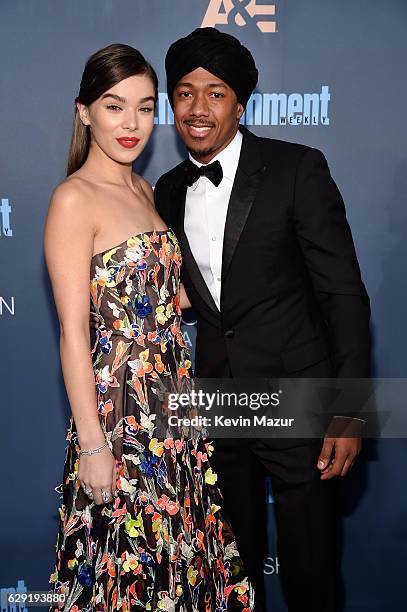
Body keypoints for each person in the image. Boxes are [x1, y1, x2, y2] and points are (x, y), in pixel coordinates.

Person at [154, 28, 371, 612]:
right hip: (216, 409)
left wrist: (350, 409)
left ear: (240, 103)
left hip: (299, 400)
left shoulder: (297, 168)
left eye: (215, 93)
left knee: (312, 572)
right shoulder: (166, 191)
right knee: (229, 573)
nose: (198, 109)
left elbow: (344, 296)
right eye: (184, 93)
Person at [45, 43, 255, 611]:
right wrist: (92, 445)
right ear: (85, 111)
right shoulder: (73, 200)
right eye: (114, 107)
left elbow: (167, 298)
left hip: (173, 409)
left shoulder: (144, 190)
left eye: (144, 106)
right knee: (130, 576)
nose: (132, 123)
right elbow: (73, 334)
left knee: (181, 565)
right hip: (120, 420)